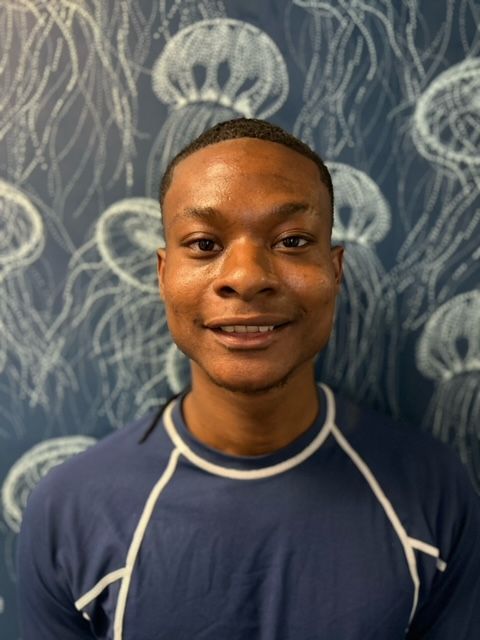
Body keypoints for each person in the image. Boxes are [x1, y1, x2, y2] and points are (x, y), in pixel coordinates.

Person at [18, 118, 480, 639]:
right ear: (163, 274)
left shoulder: (433, 492)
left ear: (336, 270)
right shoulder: (68, 511)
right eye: (204, 244)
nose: (245, 277)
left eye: (292, 240)